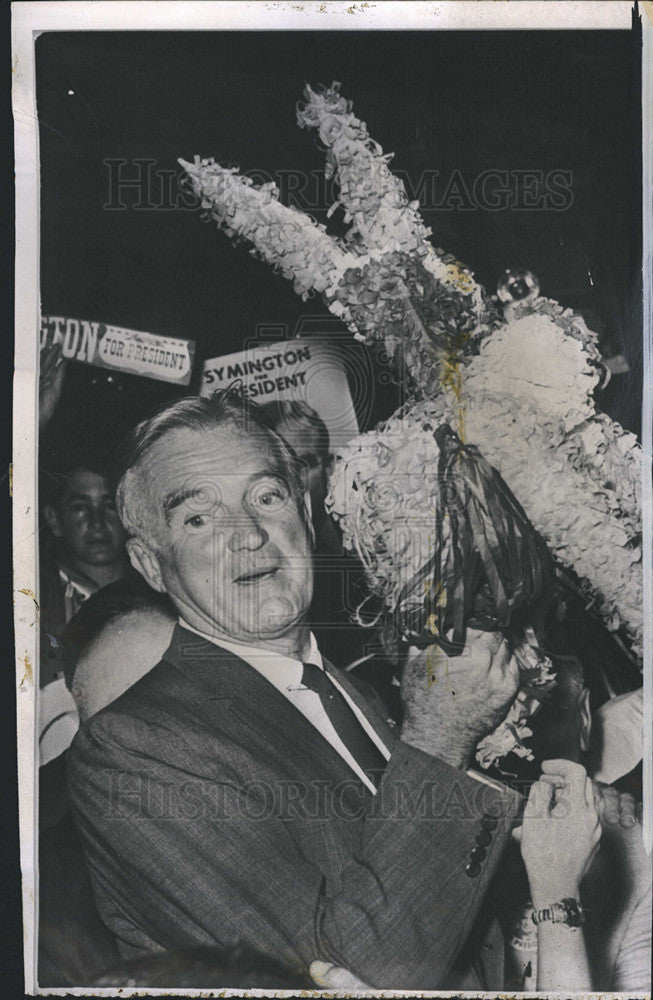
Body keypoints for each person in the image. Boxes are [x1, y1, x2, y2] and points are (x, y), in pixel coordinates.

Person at [67, 392, 524, 990]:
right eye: (198, 518)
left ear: (306, 517)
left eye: (266, 496)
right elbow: (349, 976)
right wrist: (439, 738)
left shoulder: (352, 691)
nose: (251, 535)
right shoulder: (131, 749)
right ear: (152, 566)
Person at [39, 449, 129, 764]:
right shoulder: (33, 605)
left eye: (109, 506)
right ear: (54, 519)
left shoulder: (164, 595)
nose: (97, 522)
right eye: (80, 507)